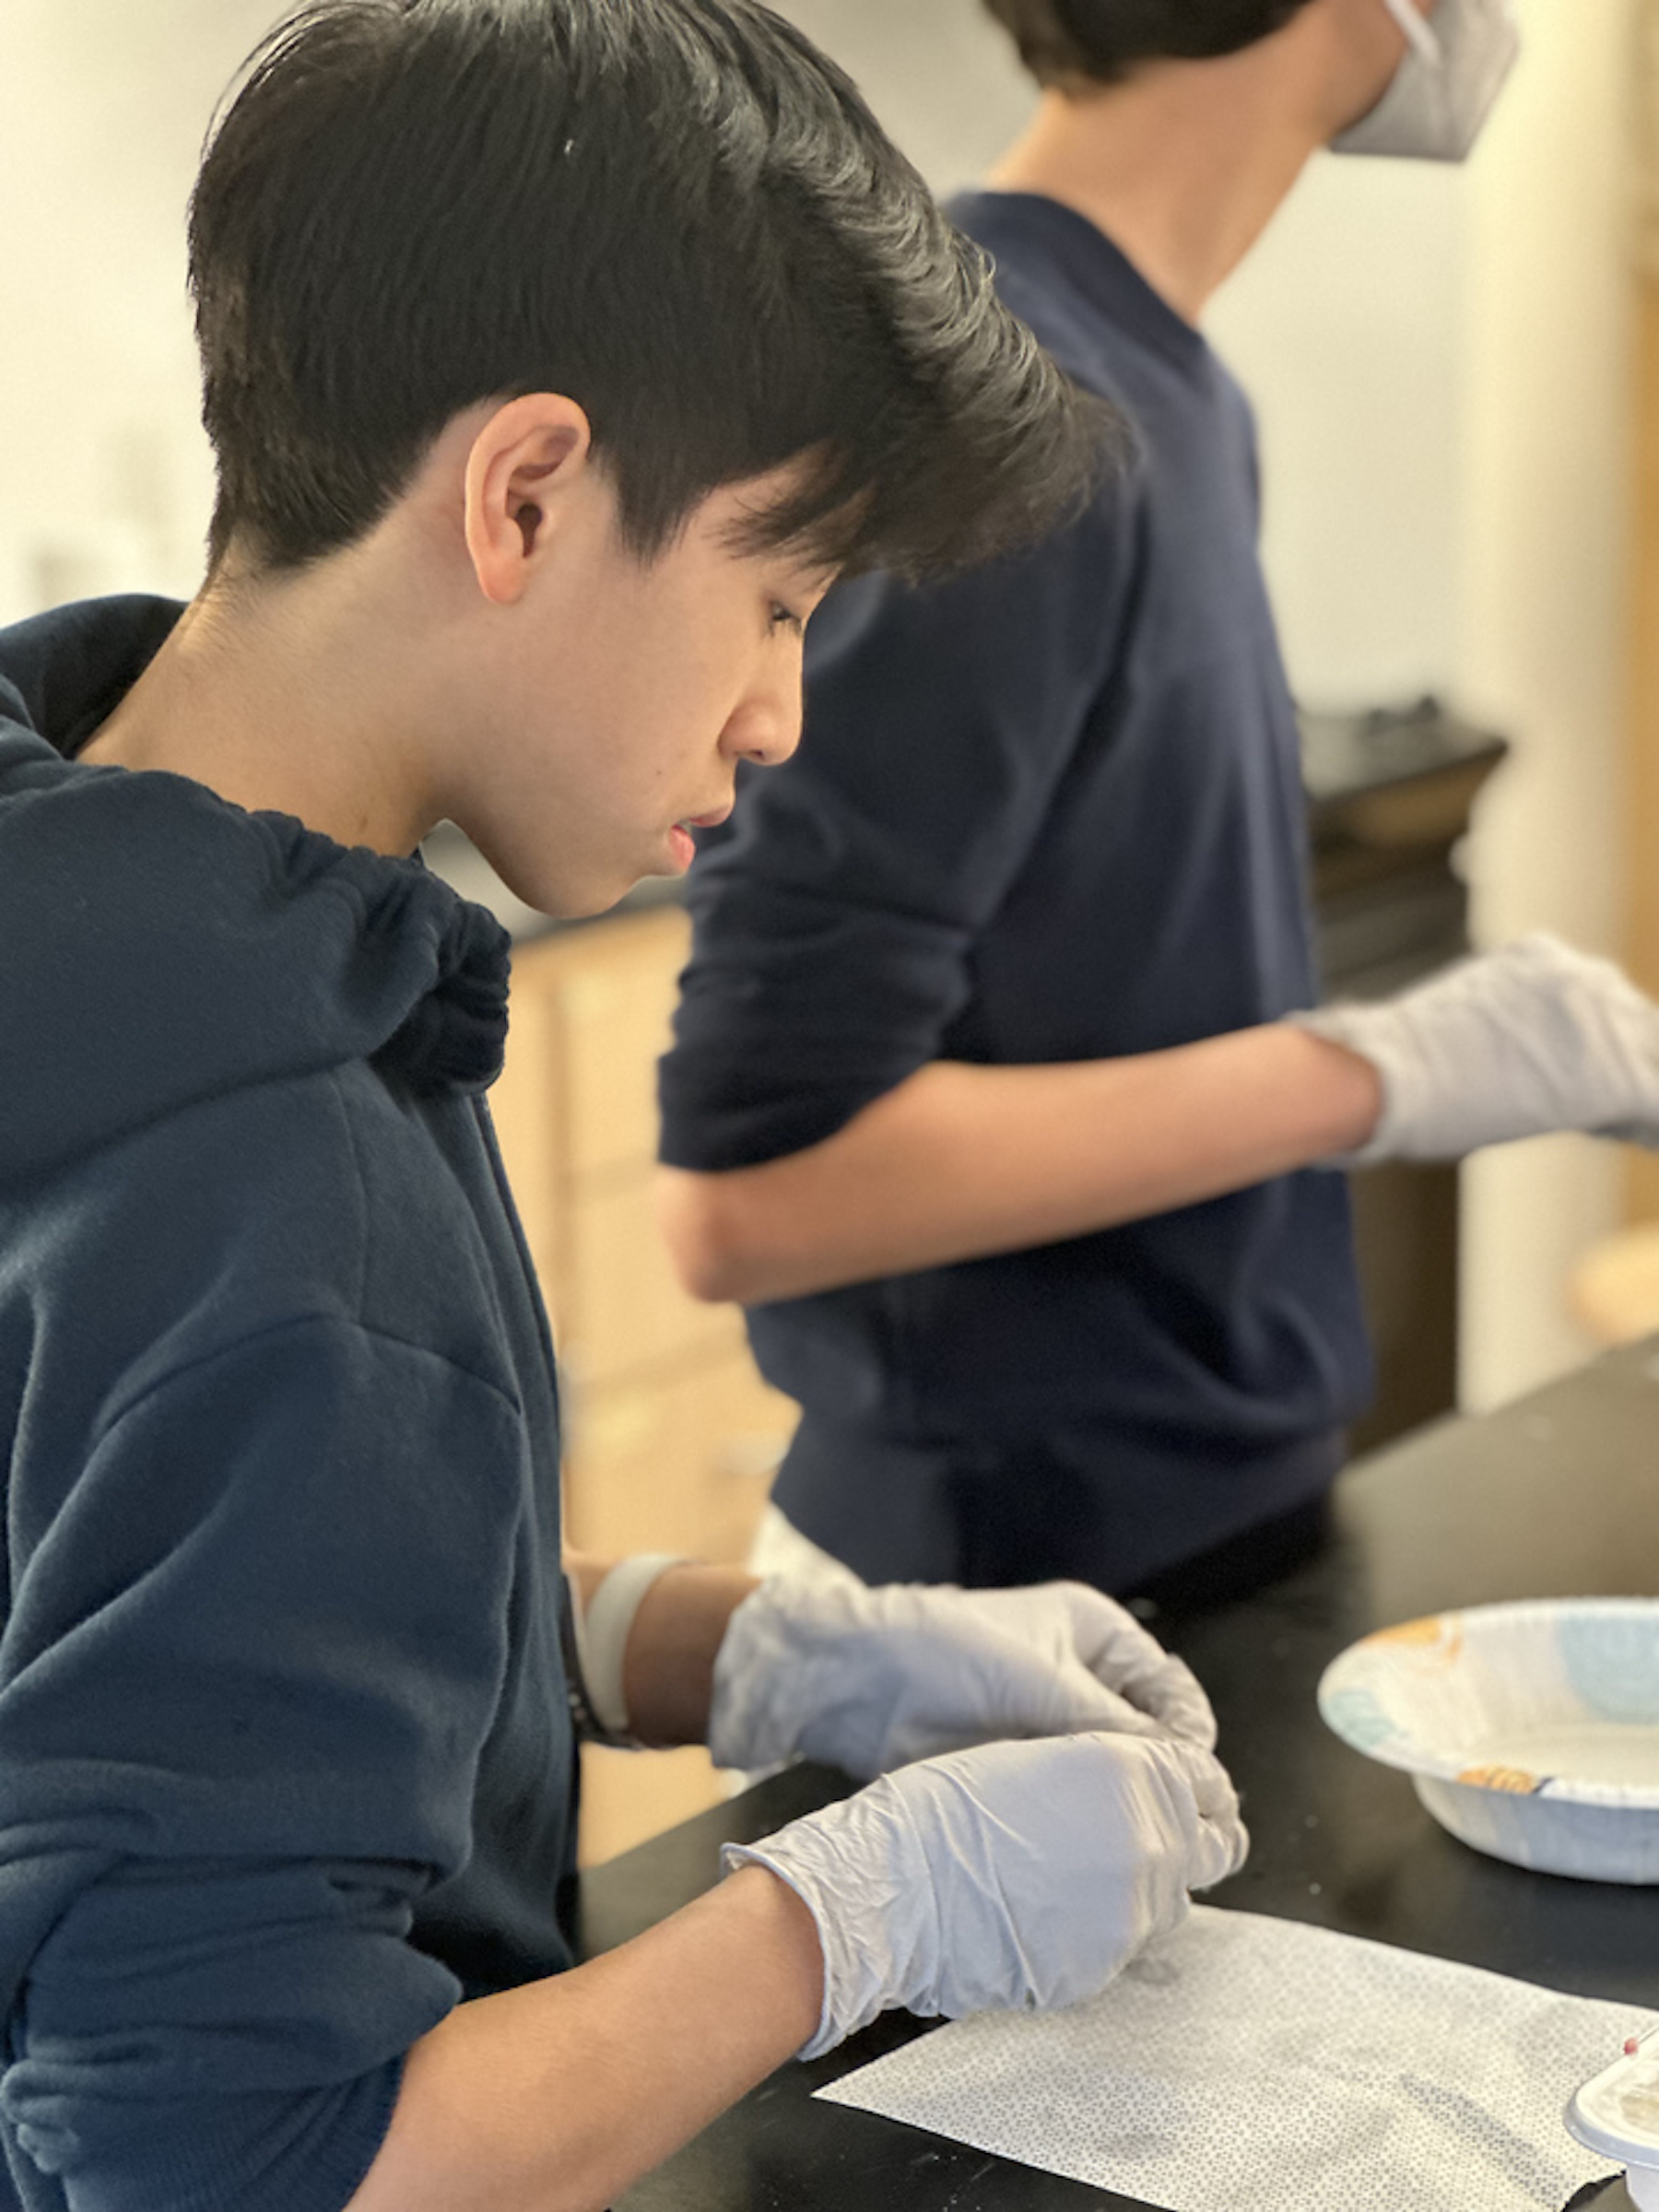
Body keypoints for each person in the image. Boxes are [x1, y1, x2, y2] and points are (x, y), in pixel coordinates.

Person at [0, 5, 1253, 2209]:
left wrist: (721, 1648)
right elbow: (226, 2161)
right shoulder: (296, 1195)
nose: (781, 710)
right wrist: (850, 1909)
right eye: (777, 597)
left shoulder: (112, 900)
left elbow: (145, 1605)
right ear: (527, 492)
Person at [656, 0, 1659, 1606]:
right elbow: (755, 1196)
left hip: (1212, 1526)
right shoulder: (1007, 415)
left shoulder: (1169, 389)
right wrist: (1379, 1073)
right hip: (1012, 1607)